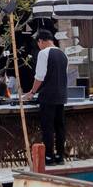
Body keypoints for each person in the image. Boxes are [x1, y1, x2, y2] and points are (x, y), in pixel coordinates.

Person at [25, 28, 68, 165]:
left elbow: (40, 76)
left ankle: (49, 157)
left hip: (48, 96)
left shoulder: (44, 53)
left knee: (48, 127)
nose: (39, 46)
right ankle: (60, 156)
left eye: (38, 43)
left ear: (41, 41)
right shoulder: (63, 54)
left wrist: (32, 92)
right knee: (60, 126)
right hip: (61, 95)